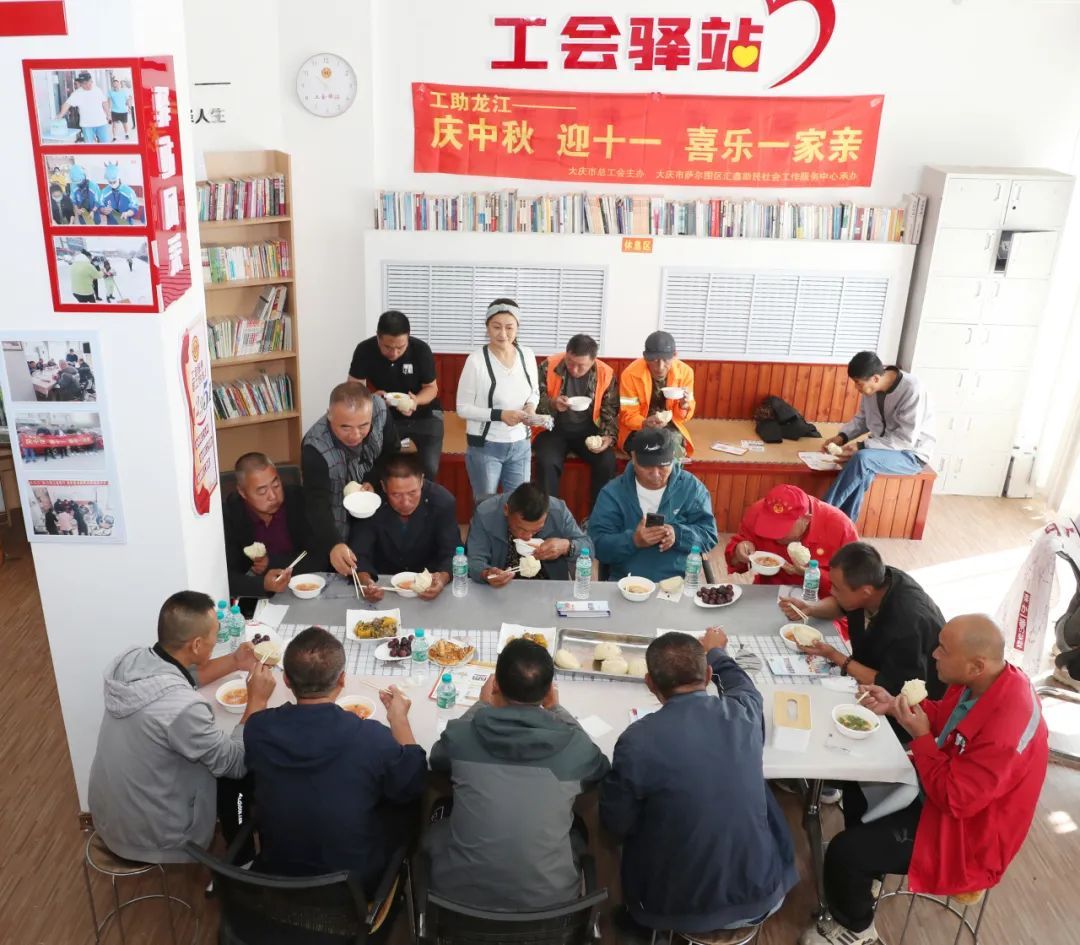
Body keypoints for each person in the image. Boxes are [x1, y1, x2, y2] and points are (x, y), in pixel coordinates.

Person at [800, 615, 1049, 945]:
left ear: (976, 665)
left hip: (968, 834)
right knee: (859, 784)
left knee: (845, 852)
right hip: (945, 789)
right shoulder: (982, 681)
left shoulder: (1007, 729)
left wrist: (921, 738)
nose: (934, 655)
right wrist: (895, 705)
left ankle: (857, 928)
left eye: (943, 650)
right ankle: (868, 873)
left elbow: (955, 800)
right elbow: (945, 717)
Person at [602, 630, 797, 941]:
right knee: (761, 794)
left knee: (638, 821)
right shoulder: (744, 714)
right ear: (707, 675)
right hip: (763, 896)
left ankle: (639, 919)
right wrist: (717, 652)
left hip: (675, 910)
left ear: (650, 683)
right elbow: (743, 686)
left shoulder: (637, 740)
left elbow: (616, 822)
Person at [87, 591, 276, 862]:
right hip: (151, 835)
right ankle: (242, 863)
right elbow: (234, 762)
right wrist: (257, 701)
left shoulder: (134, 661)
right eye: (215, 633)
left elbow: (182, 677)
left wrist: (235, 661)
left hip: (111, 815)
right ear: (197, 645)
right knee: (238, 777)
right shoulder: (183, 709)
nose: (218, 638)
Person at [425, 639, 609, 909]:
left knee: (437, 819)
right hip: (550, 910)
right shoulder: (575, 747)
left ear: (495, 685)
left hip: (458, 905)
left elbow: (437, 759)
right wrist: (557, 710)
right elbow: (599, 767)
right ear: (548, 690)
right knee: (577, 832)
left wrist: (480, 705)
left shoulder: (461, 737)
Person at [243, 628, 426, 890]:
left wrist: (256, 699)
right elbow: (414, 781)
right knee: (404, 805)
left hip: (280, 875)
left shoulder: (258, 729)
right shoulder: (371, 738)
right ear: (342, 679)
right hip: (352, 888)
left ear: (286, 680)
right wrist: (399, 719)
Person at [781, 542, 946, 711]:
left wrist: (835, 656)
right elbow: (842, 604)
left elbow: (892, 686)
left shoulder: (907, 625)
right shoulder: (874, 580)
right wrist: (810, 608)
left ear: (866, 592)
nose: (831, 592)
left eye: (837, 588)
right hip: (867, 675)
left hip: (909, 705)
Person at [589, 428, 718, 582]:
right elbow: (597, 545)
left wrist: (678, 534)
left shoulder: (691, 488)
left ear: (673, 458)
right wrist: (633, 540)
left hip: (676, 583)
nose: (656, 474)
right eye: (647, 466)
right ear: (633, 458)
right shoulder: (613, 493)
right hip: (624, 583)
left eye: (663, 466)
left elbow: (709, 535)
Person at [822, 351, 935, 522]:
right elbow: (863, 419)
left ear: (875, 378)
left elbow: (904, 440)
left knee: (862, 459)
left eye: (858, 383)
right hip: (881, 449)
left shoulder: (912, 389)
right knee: (862, 471)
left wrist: (862, 446)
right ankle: (845, 526)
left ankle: (821, 513)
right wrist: (842, 437)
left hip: (911, 454)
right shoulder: (871, 389)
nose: (856, 388)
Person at [302, 382, 399, 577]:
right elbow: (316, 504)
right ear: (329, 415)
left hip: (371, 500)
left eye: (364, 425)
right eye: (345, 427)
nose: (355, 435)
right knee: (341, 565)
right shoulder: (315, 447)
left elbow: (391, 452)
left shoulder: (380, 409)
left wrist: (373, 480)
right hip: (334, 510)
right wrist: (334, 544)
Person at [456, 298, 540, 501]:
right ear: (487, 328)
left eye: (509, 327)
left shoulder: (527, 355)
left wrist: (531, 406)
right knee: (486, 505)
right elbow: (462, 408)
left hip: (521, 444)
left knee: (520, 504)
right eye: (496, 327)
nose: (503, 334)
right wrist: (500, 415)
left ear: (518, 327)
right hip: (486, 446)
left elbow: (535, 391)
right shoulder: (475, 361)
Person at [349, 452, 459, 601]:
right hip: (383, 583)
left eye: (413, 492)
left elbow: (451, 552)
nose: (406, 502)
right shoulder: (370, 503)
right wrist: (366, 582)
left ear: (421, 481)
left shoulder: (442, 501)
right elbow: (359, 553)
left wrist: (442, 579)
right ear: (384, 487)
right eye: (396, 495)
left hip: (429, 582)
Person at [348, 309, 444, 480]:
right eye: (387, 347)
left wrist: (416, 401)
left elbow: (431, 388)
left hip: (425, 415)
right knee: (381, 466)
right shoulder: (365, 350)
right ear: (378, 337)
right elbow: (353, 387)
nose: (394, 353)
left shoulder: (421, 350)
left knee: (428, 469)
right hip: (386, 417)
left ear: (408, 337)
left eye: (400, 347)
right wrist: (371, 398)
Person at [533, 333, 619, 508]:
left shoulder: (605, 373)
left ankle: (597, 517)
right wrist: (552, 403)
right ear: (566, 354)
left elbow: (610, 409)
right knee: (547, 462)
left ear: (593, 361)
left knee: (607, 461)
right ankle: (548, 515)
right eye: (570, 362)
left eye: (581, 366)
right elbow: (531, 399)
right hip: (552, 429)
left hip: (589, 431)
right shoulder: (549, 366)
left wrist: (608, 437)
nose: (574, 369)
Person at [726, 484, 858, 597]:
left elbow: (854, 588)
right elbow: (735, 561)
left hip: (822, 599)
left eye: (782, 529)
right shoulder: (757, 512)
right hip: (769, 592)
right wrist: (738, 552)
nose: (774, 536)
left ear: (806, 519)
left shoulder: (840, 527)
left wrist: (809, 574)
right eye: (768, 526)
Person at [223, 452, 313, 600]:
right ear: (242, 492)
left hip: (304, 586)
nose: (273, 496)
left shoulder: (299, 501)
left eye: (276, 485)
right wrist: (262, 584)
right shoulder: (231, 516)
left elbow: (319, 556)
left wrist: (272, 562)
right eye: (262, 491)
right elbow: (226, 577)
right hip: (256, 597)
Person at [467, 481, 591, 585]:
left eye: (536, 530)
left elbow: (588, 547)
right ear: (506, 510)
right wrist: (486, 573)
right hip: (501, 588)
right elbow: (474, 560)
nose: (527, 537)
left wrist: (567, 546)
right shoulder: (486, 514)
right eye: (521, 529)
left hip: (547, 587)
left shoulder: (558, 511)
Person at [618, 330, 696, 459]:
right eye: (654, 360)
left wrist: (684, 406)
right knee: (645, 450)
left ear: (675, 355)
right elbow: (627, 414)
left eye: (666, 360)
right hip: (637, 427)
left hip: (670, 425)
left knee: (672, 447)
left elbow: (681, 418)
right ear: (645, 357)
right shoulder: (630, 374)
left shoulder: (685, 373)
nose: (660, 367)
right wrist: (644, 423)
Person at [58, 71, 111, 143]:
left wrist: (108, 115)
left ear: (91, 81)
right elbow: (67, 104)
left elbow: (104, 102)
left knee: (105, 144)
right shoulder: (77, 93)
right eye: (82, 83)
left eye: (86, 83)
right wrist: (60, 115)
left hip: (101, 123)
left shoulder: (97, 90)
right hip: (86, 125)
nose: (84, 85)